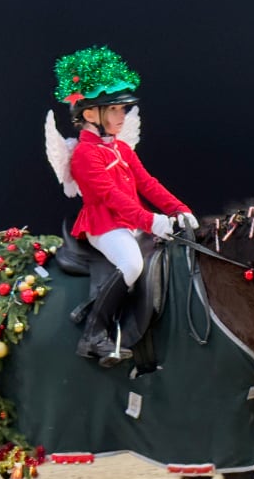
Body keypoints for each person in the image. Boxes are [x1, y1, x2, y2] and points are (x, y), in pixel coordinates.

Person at [52, 45, 198, 365]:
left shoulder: (120, 149)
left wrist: (179, 209)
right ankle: (94, 334)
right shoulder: (84, 155)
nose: (122, 115)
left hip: (130, 222)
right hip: (104, 225)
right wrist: (151, 221)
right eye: (115, 109)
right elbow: (111, 199)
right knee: (132, 264)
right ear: (90, 114)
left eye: (122, 109)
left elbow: (147, 183)